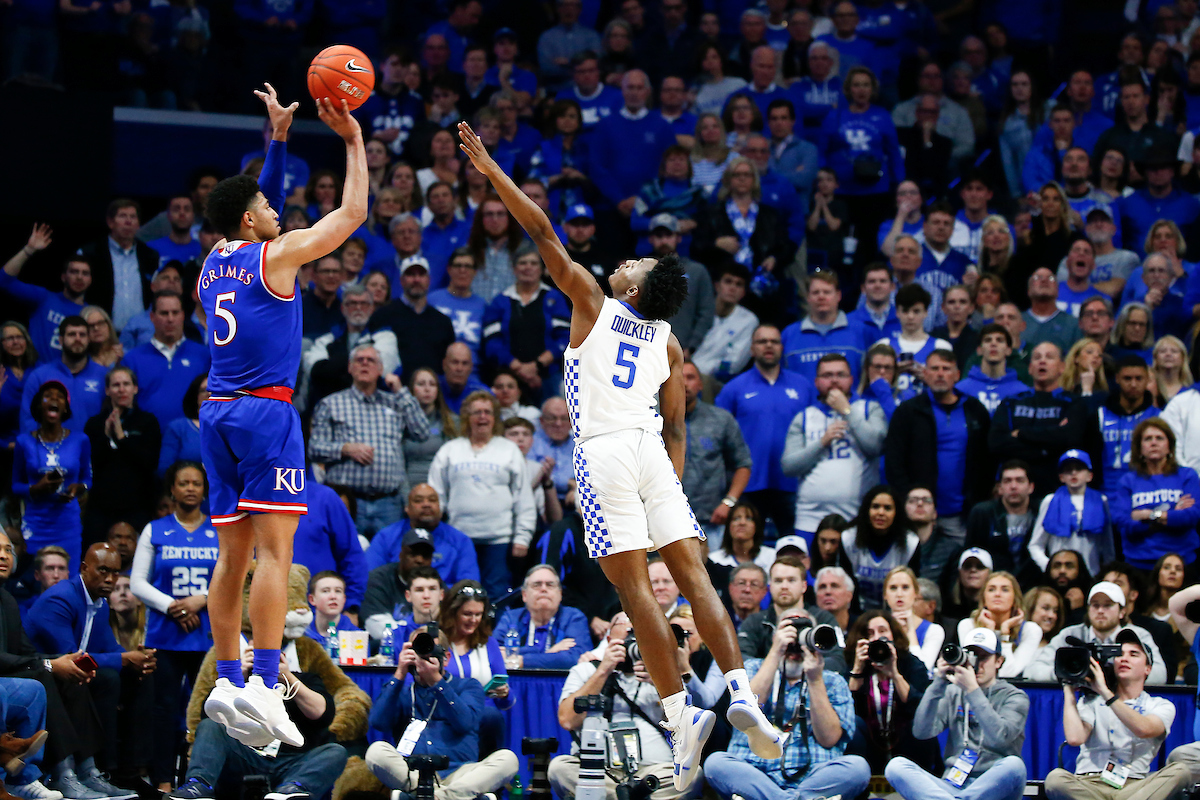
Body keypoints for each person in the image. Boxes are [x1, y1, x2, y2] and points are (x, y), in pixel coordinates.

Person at [461, 119, 788, 782]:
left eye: (630, 265)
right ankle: (740, 694)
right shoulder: (668, 341)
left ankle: (678, 713)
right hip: (650, 456)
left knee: (637, 593)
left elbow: (543, 232)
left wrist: (493, 172)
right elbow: (675, 426)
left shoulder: (590, 299)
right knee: (695, 579)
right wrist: (662, 485)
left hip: (605, 453)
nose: (619, 263)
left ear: (632, 289)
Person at [196, 86, 366, 748]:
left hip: (216, 413)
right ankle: (268, 682)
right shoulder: (278, 256)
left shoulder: (214, 262)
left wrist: (277, 142)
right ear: (251, 222)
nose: (277, 208)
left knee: (231, 556)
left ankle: (230, 678)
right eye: (268, 205)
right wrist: (351, 139)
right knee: (276, 554)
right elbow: (351, 213)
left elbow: (239, 205)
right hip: (266, 416)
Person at [26, 543, 157, 799]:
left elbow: (109, 648)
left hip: (75, 674)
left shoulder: (100, 603)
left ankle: (131, 770)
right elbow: (71, 658)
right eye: (103, 570)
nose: (110, 579)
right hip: (42, 673)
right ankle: (89, 771)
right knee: (99, 677)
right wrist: (124, 659)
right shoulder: (60, 598)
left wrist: (137, 659)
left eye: (116, 572)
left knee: (141, 677)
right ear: (84, 569)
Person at [703, 604, 872, 800]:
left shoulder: (833, 681)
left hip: (813, 775)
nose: (796, 639)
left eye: (803, 630)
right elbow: (745, 711)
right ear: (775, 635)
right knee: (715, 763)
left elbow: (829, 739)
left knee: (858, 768)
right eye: (789, 628)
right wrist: (776, 652)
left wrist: (815, 679)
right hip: (754, 771)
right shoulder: (751, 668)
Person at [129, 461, 218, 792]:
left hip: (208, 636)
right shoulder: (155, 529)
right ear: (172, 489)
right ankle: (163, 781)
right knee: (164, 712)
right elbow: (137, 583)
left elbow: (234, 578)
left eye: (197, 482)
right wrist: (174, 606)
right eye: (184, 483)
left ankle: (202, 780)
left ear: (205, 489)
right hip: (165, 636)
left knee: (208, 713)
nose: (191, 488)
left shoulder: (220, 530)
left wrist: (202, 600)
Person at [168, 648, 349, 800]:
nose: (263, 661)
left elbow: (322, 714)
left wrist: (287, 676)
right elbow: (211, 717)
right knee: (209, 726)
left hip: (292, 761)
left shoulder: (304, 679)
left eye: (268, 656)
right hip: (244, 755)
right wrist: (239, 677)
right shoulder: (234, 682)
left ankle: (292, 791)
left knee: (336, 751)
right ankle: (198, 787)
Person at [549, 612, 690, 800]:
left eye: (638, 636)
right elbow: (567, 720)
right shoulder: (585, 670)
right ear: (609, 639)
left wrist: (661, 682)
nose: (632, 642)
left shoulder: (663, 674)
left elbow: (686, 725)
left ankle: (617, 796)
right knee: (559, 768)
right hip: (599, 771)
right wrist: (603, 670)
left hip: (653, 771)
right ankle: (635, 795)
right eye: (626, 635)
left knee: (692, 774)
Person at [884, 628, 1030, 800]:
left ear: (999, 661)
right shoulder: (954, 692)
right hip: (952, 786)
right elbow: (922, 731)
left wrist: (973, 690)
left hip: (993, 786)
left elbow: (999, 738)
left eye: (983, 657)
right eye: (971, 656)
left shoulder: (1015, 696)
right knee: (896, 766)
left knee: (1015, 766)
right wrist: (938, 682)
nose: (976, 664)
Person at [1046, 630, 1189, 800]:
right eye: (1120, 655)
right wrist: (1068, 688)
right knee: (1055, 779)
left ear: (1147, 669)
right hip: (1089, 784)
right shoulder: (1091, 701)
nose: (1124, 659)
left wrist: (1106, 693)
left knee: (1181, 771)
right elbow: (1075, 739)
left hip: (1135, 787)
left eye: (1133, 654)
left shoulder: (1160, 705)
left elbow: (1144, 728)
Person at [428, 391, 535, 597]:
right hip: (459, 538)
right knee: (462, 594)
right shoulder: (450, 450)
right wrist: (438, 534)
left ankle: (497, 631)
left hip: (499, 540)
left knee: (496, 595)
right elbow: (437, 494)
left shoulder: (509, 450)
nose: (482, 417)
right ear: (467, 417)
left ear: (495, 417)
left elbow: (523, 497)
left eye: (487, 412)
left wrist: (523, 536)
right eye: (477, 412)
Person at [885, 349, 991, 543]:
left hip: (961, 516)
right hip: (917, 515)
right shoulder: (908, 412)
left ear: (957, 375)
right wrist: (908, 502)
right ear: (925, 374)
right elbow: (894, 461)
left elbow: (987, 460)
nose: (940, 374)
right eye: (934, 369)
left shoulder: (976, 411)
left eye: (946, 369)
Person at [782, 353, 886, 538]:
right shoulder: (805, 417)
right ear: (816, 381)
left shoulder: (869, 409)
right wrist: (822, 442)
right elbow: (789, 466)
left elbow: (875, 447)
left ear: (851, 379)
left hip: (858, 516)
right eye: (827, 375)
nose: (835, 381)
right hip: (810, 518)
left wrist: (847, 410)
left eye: (841, 375)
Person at [989, 342, 1094, 502]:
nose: (1042, 361)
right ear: (1030, 368)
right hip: (1015, 491)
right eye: (1037, 357)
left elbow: (1070, 438)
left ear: (1062, 367)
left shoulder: (1073, 403)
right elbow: (996, 443)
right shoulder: (1011, 402)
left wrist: (1022, 433)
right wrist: (1047, 446)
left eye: (1049, 357)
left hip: (1057, 490)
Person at [14, 381, 90, 577]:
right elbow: (15, 485)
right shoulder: (24, 442)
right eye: (48, 396)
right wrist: (35, 489)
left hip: (68, 523)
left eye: (60, 397)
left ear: (65, 407)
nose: (54, 399)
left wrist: (76, 488)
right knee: (35, 581)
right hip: (36, 523)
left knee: (68, 580)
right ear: (39, 405)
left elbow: (87, 479)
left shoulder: (80, 440)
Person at [1025, 581, 1167, 684]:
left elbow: (1160, 675)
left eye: (1107, 605)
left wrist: (1117, 676)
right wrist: (1067, 674)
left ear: (1122, 612)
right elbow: (1032, 671)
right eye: (1095, 605)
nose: (1100, 610)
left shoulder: (1138, 635)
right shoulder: (1070, 635)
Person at [846, 609, 934, 773]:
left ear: (893, 635)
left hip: (907, 743)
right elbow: (846, 710)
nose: (876, 638)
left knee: (918, 722)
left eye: (882, 631)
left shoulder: (910, 663)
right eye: (869, 633)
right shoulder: (853, 666)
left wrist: (894, 673)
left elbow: (922, 708)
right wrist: (857, 669)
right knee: (853, 724)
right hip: (869, 745)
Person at [1111, 418, 1200, 571]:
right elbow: (1123, 523)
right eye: (1147, 439)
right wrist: (1171, 514)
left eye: (1159, 438)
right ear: (1139, 448)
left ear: (1169, 447)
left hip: (1182, 562)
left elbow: (1191, 516)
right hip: (1139, 564)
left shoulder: (1187, 475)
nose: (1154, 443)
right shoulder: (1127, 481)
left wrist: (1146, 515)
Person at [680, 361, 751, 540]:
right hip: (664, 521)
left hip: (710, 520)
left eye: (690, 377)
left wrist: (728, 503)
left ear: (700, 384)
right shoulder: (653, 420)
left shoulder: (721, 420)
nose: (684, 383)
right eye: (678, 378)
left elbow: (743, 464)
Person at [365, 483, 480, 586]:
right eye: (418, 500)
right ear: (407, 508)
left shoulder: (460, 541)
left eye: (432, 500)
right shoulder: (386, 537)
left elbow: (468, 585)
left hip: (444, 604)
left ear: (440, 507)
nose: (426, 505)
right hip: (394, 601)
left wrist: (436, 594)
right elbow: (371, 578)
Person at [1028, 450, 1115, 577]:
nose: (1073, 473)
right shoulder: (1050, 501)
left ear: (1089, 475)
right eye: (1068, 470)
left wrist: (1106, 573)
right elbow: (1035, 544)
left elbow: (1108, 545)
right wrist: (1049, 566)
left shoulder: (1101, 501)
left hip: (1092, 573)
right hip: (1059, 575)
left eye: (1079, 469)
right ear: (1061, 477)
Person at [490, 564, 590, 669]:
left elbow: (577, 658)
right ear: (524, 595)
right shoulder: (511, 618)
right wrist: (549, 652)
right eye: (537, 585)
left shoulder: (573, 618)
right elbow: (493, 655)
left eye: (550, 585)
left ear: (560, 594)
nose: (543, 589)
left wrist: (520, 660)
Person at [963, 461, 1040, 586]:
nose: (1013, 486)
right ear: (1000, 488)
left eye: (1019, 480)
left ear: (1031, 487)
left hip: (1034, 583)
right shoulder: (982, 513)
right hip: (992, 583)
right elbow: (971, 552)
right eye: (1007, 481)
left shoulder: (1041, 513)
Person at [841, 486, 919, 608]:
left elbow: (913, 586)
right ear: (867, 510)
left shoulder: (910, 543)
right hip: (856, 609)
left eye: (887, 508)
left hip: (897, 610)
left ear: (896, 513)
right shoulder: (849, 539)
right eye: (875, 506)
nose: (880, 513)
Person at [957, 571, 1043, 677]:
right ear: (983, 599)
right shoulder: (968, 626)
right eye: (991, 589)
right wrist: (989, 631)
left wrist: (1005, 633)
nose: (997, 594)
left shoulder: (1030, 630)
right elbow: (974, 669)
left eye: (1005, 590)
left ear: (1015, 599)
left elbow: (1007, 674)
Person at [692, 263, 759, 382]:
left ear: (743, 292)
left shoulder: (749, 321)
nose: (732, 288)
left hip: (715, 380)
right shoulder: (697, 309)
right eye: (728, 282)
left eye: (739, 284)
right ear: (717, 286)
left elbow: (734, 364)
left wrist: (699, 370)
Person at [304, 570, 359, 649]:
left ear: (344, 599)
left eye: (338, 591)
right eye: (325, 591)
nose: (333, 596)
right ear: (312, 599)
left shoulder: (356, 637)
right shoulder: (301, 635)